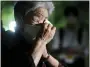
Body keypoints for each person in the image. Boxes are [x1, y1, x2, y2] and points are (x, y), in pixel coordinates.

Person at [2, 1, 65, 67]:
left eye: (45, 20)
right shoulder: (6, 42)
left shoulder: (40, 46)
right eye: (37, 20)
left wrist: (46, 56)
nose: (44, 25)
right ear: (19, 20)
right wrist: (41, 42)